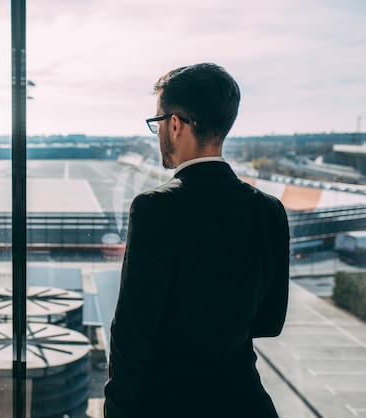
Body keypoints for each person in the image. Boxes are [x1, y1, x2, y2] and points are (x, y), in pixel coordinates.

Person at [103, 63, 290, 417]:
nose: (158, 132)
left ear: (175, 125)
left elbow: (132, 336)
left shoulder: (154, 210)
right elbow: (270, 322)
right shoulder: (270, 211)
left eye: (157, 122)